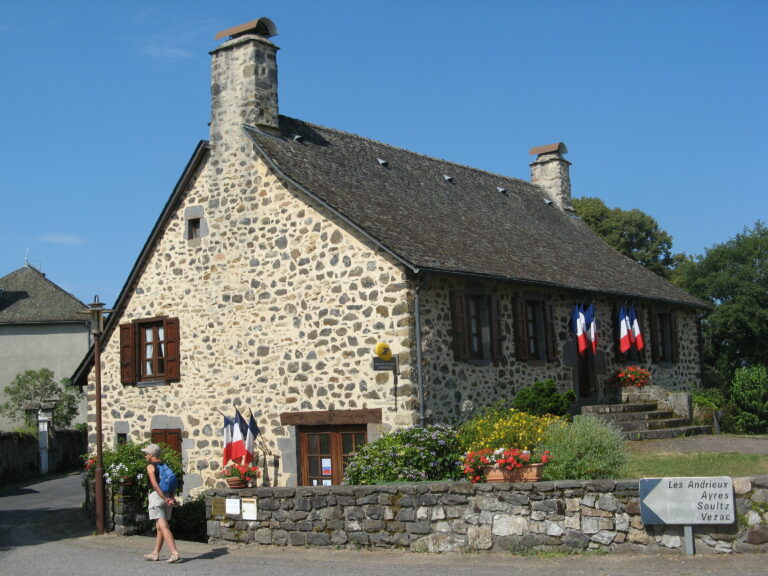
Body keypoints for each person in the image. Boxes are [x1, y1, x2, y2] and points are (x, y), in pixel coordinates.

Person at [141, 443, 180, 563]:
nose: (145, 455)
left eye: (146, 453)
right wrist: (170, 498)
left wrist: (163, 498)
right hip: (167, 496)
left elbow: (155, 485)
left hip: (157, 497)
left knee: (163, 526)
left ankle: (174, 553)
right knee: (159, 527)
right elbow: (173, 482)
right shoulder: (164, 465)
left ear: (151, 455)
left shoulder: (150, 467)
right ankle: (155, 553)